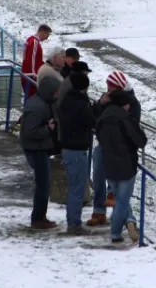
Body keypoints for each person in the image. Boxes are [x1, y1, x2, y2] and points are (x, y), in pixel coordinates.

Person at [87, 71, 141, 225]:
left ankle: (127, 218)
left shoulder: (131, 103)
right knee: (98, 176)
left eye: (110, 87)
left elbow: (132, 125)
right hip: (103, 144)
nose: (108, 89)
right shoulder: (108, 99)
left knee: (118, 185)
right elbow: (95, 120)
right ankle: (99, 211)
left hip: (121, 149)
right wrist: (99, 104)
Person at [97, 90, 147, 243]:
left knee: (118, 199)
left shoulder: (103, 118)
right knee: (122, 202)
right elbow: (141, 141)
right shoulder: (126, 119)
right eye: (127, 104)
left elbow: (99, 137)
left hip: (109, 164)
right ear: (123, 104)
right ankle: (115, 233)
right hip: (126, 165)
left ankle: (122, 223)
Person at [19, 76, 62, 230]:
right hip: (36, 149)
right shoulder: (37, 107)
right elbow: (30, 132)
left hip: (40, 147)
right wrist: (48, 129)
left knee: (44, 184)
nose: (58, 94)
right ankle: (38, 218)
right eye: (56, 91)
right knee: (43, 185)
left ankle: (40, 216)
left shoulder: (43, 102)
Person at [59, 73, 96, 235]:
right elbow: (91, 121)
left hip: (68, 148)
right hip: (77, 150)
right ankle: (74, 224)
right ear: (84, 87)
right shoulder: (80, 104)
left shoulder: (66, 100)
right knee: (77, 189)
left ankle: (73, 221)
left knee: (75, 187)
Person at [22, 25, 52, 98]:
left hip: (27, 74)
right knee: (32, 98)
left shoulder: (30, 40)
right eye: (47, 35)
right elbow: (31, 60)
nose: (47, 38)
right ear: (42, 32)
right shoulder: (34, 42)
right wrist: (34, 76)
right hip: (30, 76)